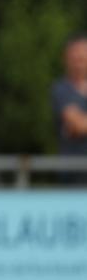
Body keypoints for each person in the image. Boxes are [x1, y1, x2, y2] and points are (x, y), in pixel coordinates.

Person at [51, 33, 87, 183]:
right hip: (74, 175)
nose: (79, 63)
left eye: (82, 58)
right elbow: (78, 125)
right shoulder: (61, 90)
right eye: (75, 58)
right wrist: (77, 126)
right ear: (66, 60)